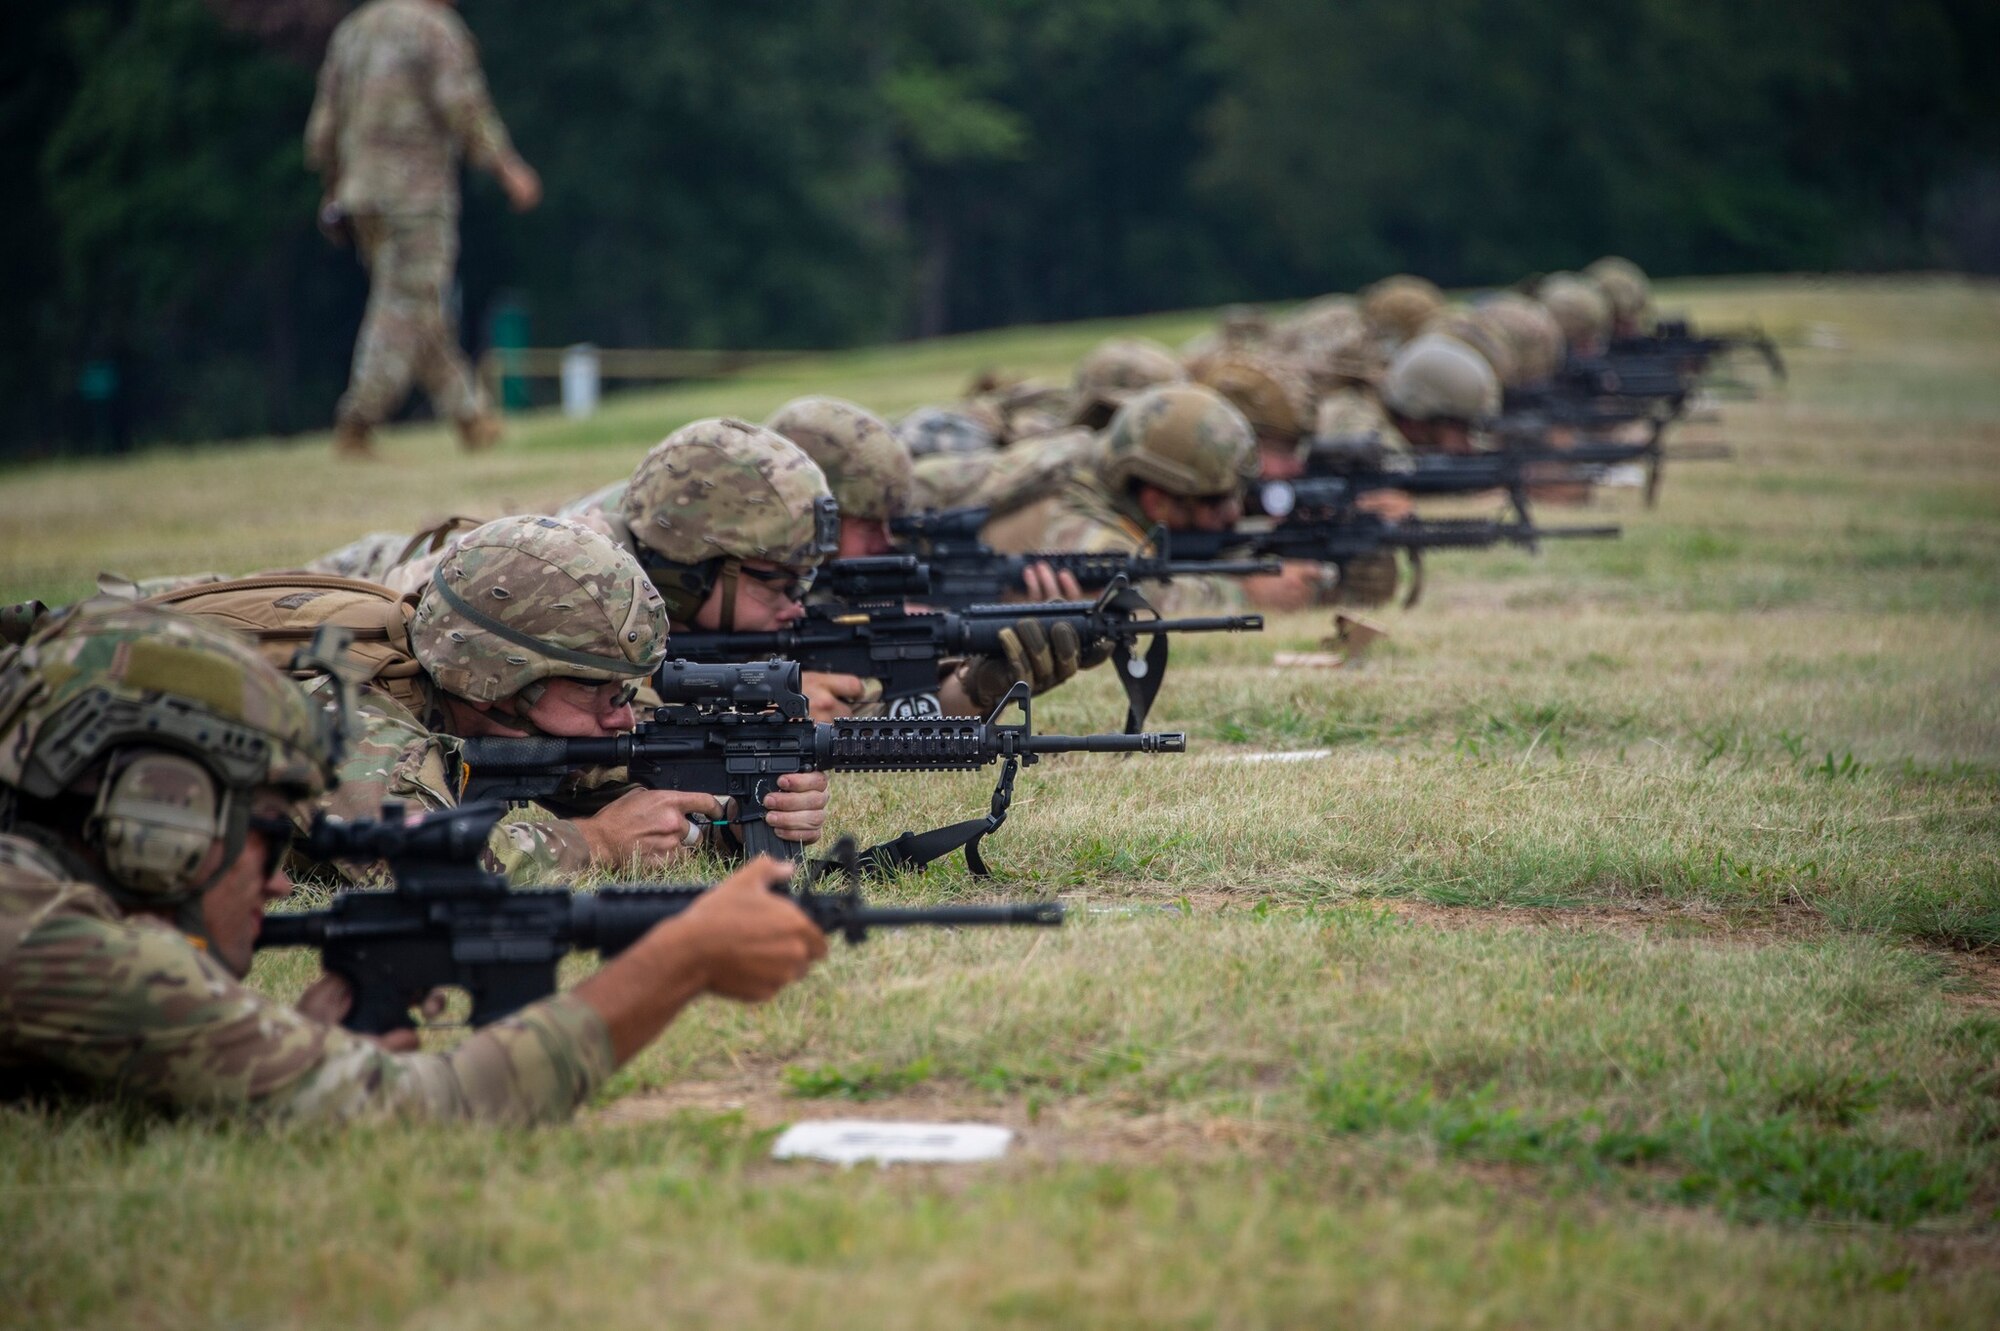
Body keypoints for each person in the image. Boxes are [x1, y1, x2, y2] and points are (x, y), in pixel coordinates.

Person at [0, 602, 827, 1122]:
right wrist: (680, 959)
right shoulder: (44, 940)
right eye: (258, 832)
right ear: (158, 815)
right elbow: (435, 1106)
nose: (283, 879)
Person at [157, 514, 829, 882]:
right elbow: (419, 866)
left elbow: (603, 773)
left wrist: (728, 818)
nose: (622, 714)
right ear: (497, 681)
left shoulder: (490, 711)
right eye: (596, 688)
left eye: (624, 687)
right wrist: (594, 842)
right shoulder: (351, 714)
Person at [306, 0, 541, 459]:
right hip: (415, 195)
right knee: (404, 304)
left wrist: (334, 188)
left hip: (361, 194)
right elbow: (463, 107)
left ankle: (471, 416)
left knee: (419, 305)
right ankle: (358, 418)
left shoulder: (355, 30)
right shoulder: (434, 29)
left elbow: (323, 127)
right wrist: (508, 168)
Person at [1019, 384, 1333, 614]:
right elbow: (1139, 596)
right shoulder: (1072, 517)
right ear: (1158, 504)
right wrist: (1248, 594)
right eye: (1216, 502)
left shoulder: (1116, 485)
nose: (1234, 512)